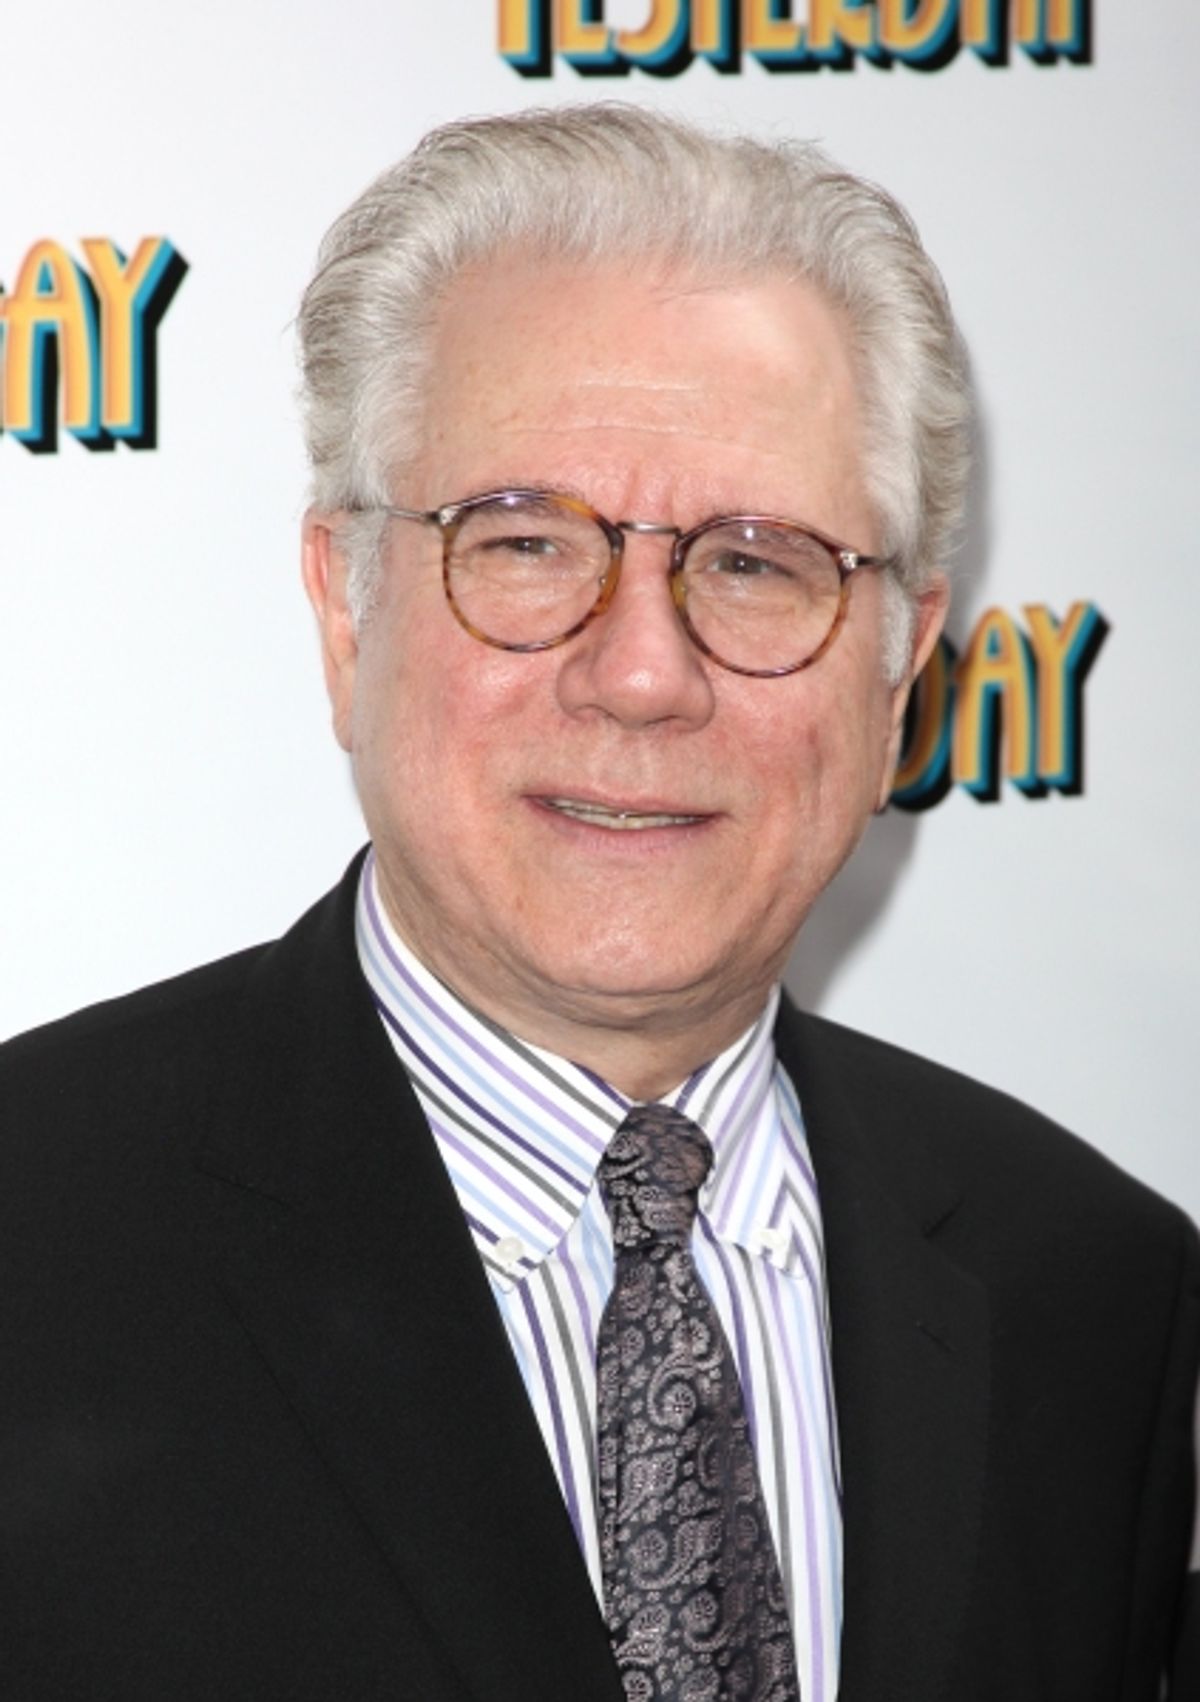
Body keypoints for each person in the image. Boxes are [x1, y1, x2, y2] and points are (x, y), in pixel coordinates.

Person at [1, 105, 1196, 1702]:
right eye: (525, 542)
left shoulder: (1098, 1296)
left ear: (901, 662)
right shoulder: (33, 1239)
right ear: (347, 613)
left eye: (757, 562)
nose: (641, 672)